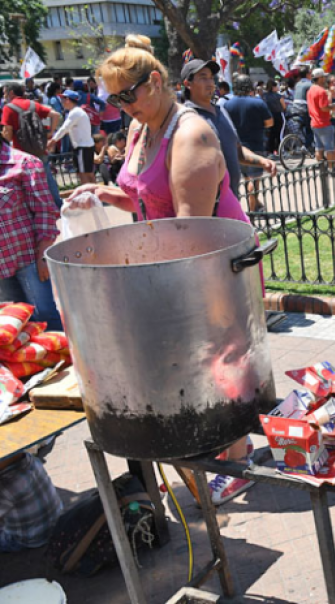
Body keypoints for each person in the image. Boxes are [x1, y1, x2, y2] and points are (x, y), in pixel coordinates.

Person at [64, 44, 257, 506]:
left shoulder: (191, 136)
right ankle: (212, 444)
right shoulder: (140, 127)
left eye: (127, 96)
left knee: (222, 354)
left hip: (209, 263)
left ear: (155, 82)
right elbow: (149, 198)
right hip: (165, 258)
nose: (122, 108)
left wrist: (152, 285)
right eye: (113, 100)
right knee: (190, 358)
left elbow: (189, 232)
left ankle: (237, 458)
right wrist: (106, 194)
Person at [183, 60, 276, 200]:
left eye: (211, 77)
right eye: (203, 77)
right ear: (188, 84)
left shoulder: (222, 111)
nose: (210, 82)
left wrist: (262, 161)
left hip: (231, 200)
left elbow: (237, 150)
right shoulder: (186, 117)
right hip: (206, 205)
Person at [0, 136, 62, 331]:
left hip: (29, 260)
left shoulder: (25, 164)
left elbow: (45, 210)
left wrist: (43, 252)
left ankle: (65, 359)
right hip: (2, 270)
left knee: (45, 319)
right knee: (14, 327)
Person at [2, 82, 62, 204]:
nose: (4, 95)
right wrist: (50, 133)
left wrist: (6, 144)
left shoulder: (8, 108)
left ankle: (36, 205)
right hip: (39, 147)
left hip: (21, 152)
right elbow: (56, 115)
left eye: (5, 92)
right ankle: (57, 203)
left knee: (27, 181)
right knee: (47, 177)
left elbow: (8, 132)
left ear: (11, 93)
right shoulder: (33, 104)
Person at [224, 75, 274, 212]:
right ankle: (252, 211)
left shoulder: (227, 105)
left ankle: (250, 207)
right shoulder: (258, 103)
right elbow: (270, 123)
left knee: (244, 179)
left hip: (236, 148)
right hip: (255, 146)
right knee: (254, 181)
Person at [47, 90, 96, 185]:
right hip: (84, 146)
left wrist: (52, 141)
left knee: (84, 174)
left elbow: (64, 128)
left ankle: (89, 195)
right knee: (87, 173)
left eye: (63, 99)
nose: (61, 101)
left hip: (83, 147)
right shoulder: (75, 112)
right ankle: (93, 194)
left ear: (68, 100)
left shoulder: (75, 112)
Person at [307, 69, 335, 169]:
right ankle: (330, 168)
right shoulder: (321, 91)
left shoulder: (310, 90)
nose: (325, 78)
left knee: (318, 148)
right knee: (329, 148)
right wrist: (333, 107)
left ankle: (322, 170)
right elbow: (324, 107)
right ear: (320, 78)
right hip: (324, 123)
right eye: (324, 77)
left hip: (314, 123)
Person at [261, 79, 286, 156]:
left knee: (271, 134)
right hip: (278, 115)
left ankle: (270, 151)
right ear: (273, 87)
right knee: (279, 134)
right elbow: (284, 106)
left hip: (268, 116)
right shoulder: (278, 96)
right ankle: (280, 151)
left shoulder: (264, 96)